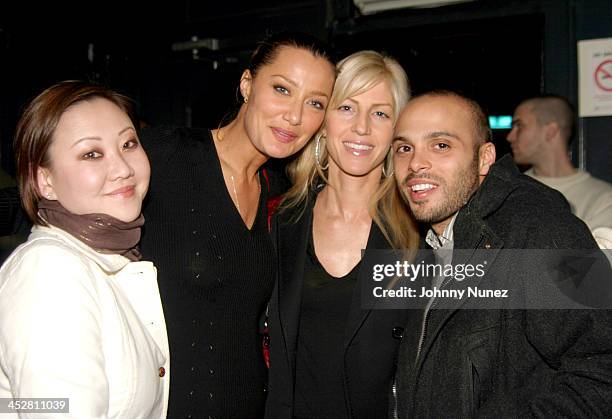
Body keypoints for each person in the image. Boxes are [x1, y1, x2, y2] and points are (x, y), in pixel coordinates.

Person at [139, 32, 336, 418]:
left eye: (314, 103)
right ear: (247, 85)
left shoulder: (284, 197)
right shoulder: (161, 157)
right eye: (282, 89)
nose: (295, 116)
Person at [391, 90, 612, 417]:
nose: (416, 163)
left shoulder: (546, 228)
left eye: (441, 145)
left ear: (484, 158)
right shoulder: (428, 244)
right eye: (404, 148)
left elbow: (603, 372)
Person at [0, 81, 169, 418]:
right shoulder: (50, 271)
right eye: (92, 153)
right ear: (44, 181)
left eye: (128, 143)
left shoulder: (104, 262)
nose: (123, 168)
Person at [265, 50, 419, 419]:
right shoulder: (279, 220)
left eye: (380, 113)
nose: (362, 128)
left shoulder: (420, 231)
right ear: (323, 120)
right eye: (347, 108)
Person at [507, 94, 612, 248]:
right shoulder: (509, 190)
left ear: (550, 131)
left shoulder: (602, 199)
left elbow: (593, 265)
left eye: (519, 125)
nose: (510, 136)